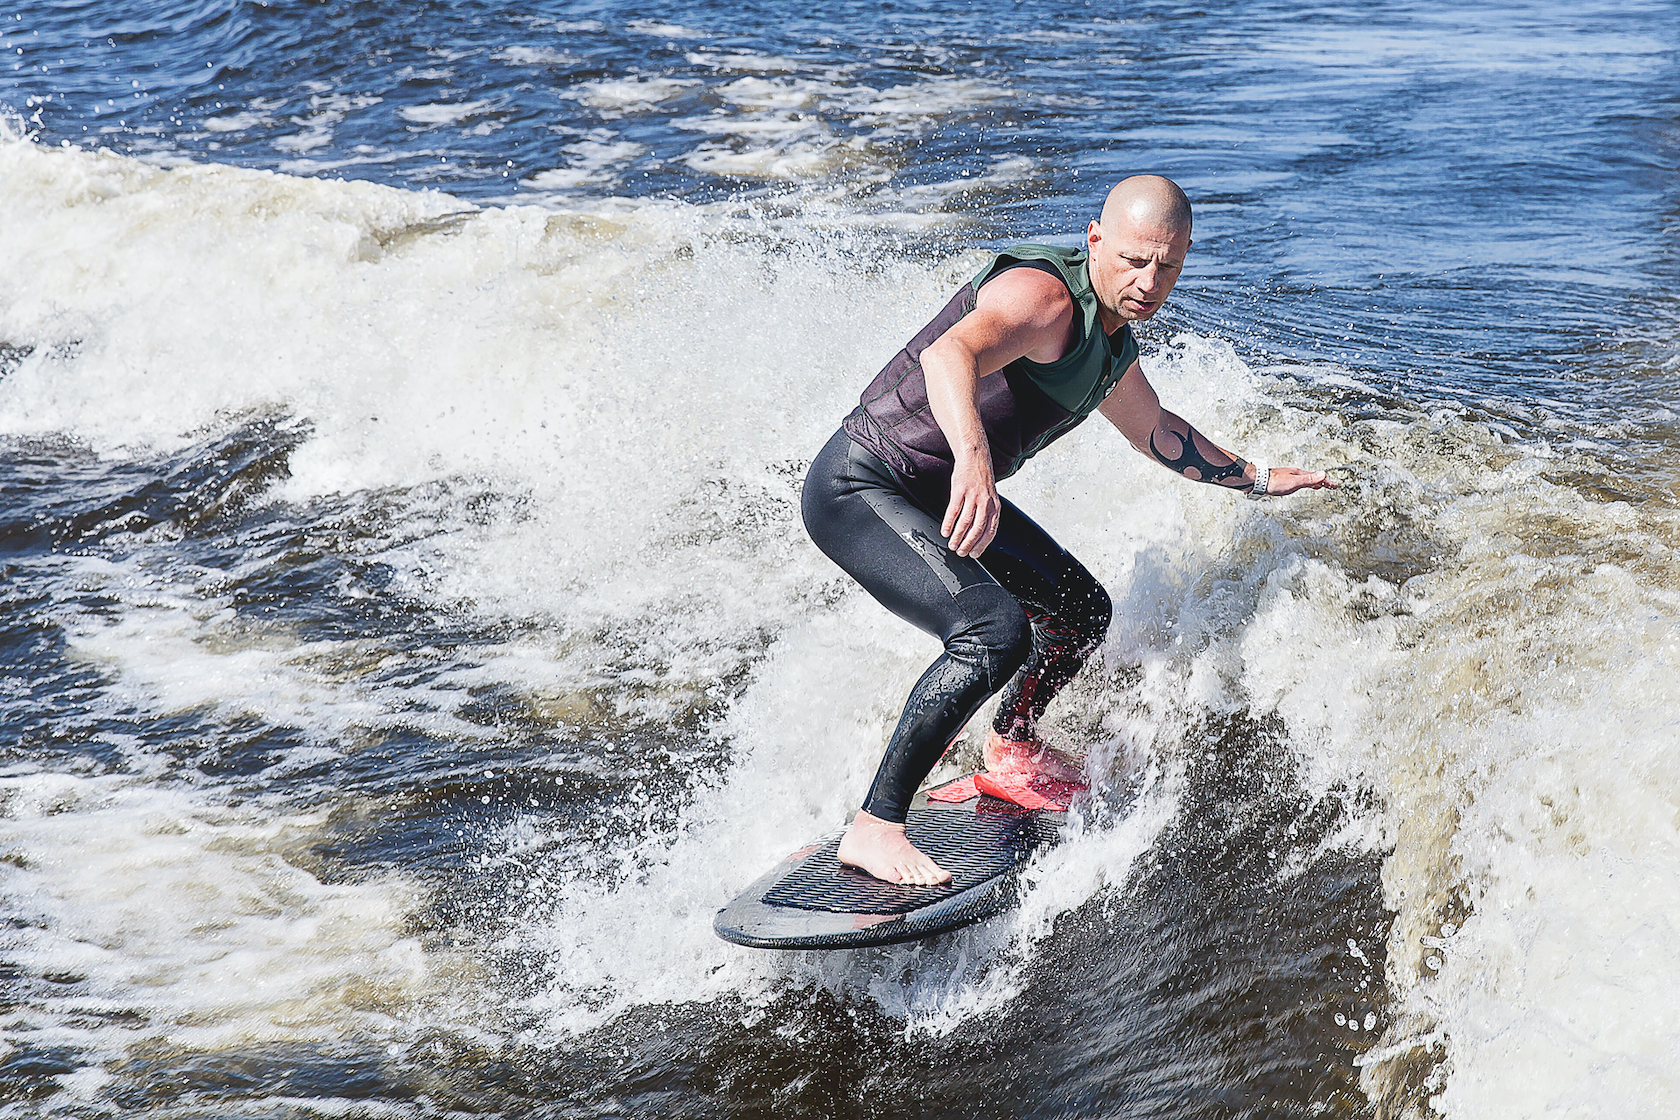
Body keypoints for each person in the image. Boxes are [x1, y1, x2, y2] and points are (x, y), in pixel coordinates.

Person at [801, 175, 1335, 886]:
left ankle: (1011, 747)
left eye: (1168, 265)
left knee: (1080, 610)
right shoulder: (1045, 297)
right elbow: (947, 356)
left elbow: (1158, 432)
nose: (1149, 280)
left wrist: (1262, 478)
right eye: (1134, 259)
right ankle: (874, 827)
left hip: (939, 492)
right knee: (993, 633)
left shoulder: (1109, 347)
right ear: (1095, 240)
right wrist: (974, 460)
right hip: (863, 484)